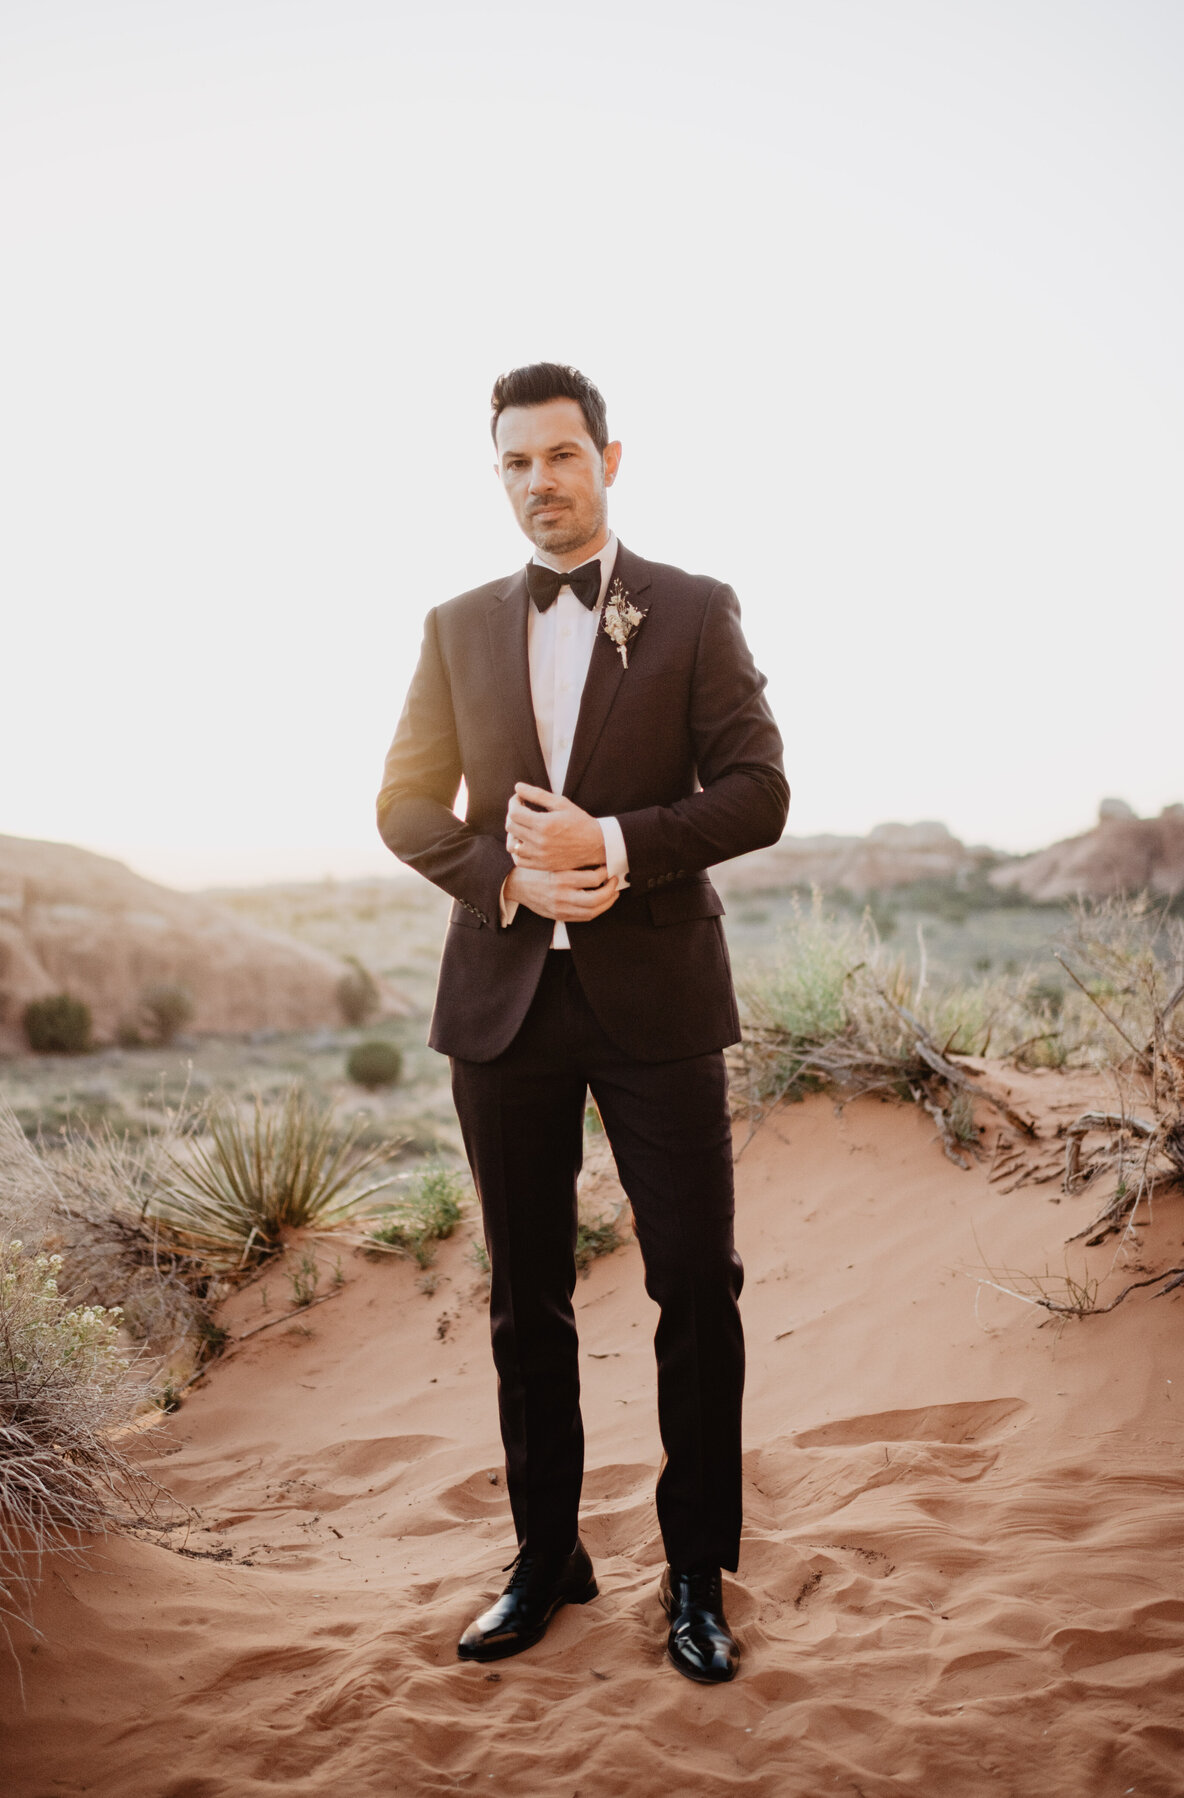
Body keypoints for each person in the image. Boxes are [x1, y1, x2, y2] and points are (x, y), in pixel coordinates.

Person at [377, 362, 787, 1684]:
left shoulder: (694, 609)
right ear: (497, 474)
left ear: (611, 457)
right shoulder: (452, 625)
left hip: (659, 1001)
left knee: (694, 1292)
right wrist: (503, 877)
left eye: (560, 456)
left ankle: (693, 1572)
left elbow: (758, 791)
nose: (539, 482)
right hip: (503, 1008)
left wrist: (617, 842)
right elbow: (404, 805)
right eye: (515, 463)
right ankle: (545, 1554)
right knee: (525, 1304)